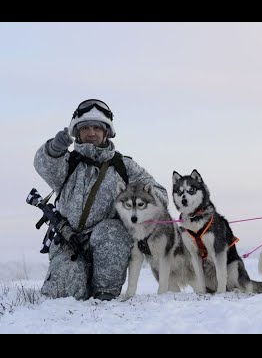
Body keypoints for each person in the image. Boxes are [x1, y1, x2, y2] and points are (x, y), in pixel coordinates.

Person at [33, 99, 168, 301]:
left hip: (106, 239)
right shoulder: (68, 163)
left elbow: (159, 195)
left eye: (97, 127)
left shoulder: (124, 166)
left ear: (107, 132)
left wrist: (139, 206)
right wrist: (54, 149)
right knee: (63, 297)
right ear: (77, 132)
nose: (92, 133)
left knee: (112, 231)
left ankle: (106, 294)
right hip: (68, 240)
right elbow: (45, 165)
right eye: (85, 127)